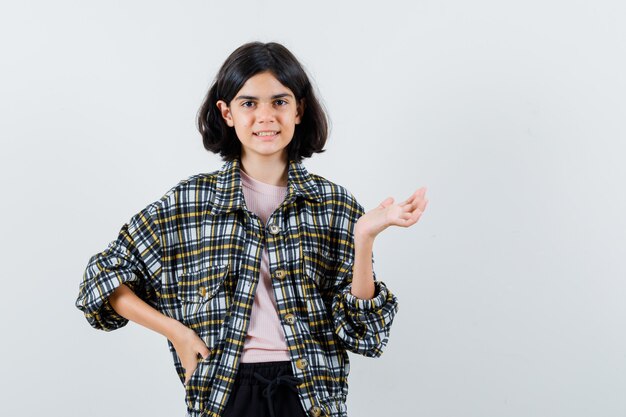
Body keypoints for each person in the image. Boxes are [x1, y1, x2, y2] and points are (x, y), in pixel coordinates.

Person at [75, 41, 428, 417]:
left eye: (279, 101)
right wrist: (176, 331)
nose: (265, 116)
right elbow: (101, 278)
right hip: (225, 392)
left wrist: (364, 240)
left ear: (299, 110)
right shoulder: (190, 202)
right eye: (249, 103)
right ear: (226, 113)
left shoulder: (333, 204)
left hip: (311, 396)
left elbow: (365, 334)